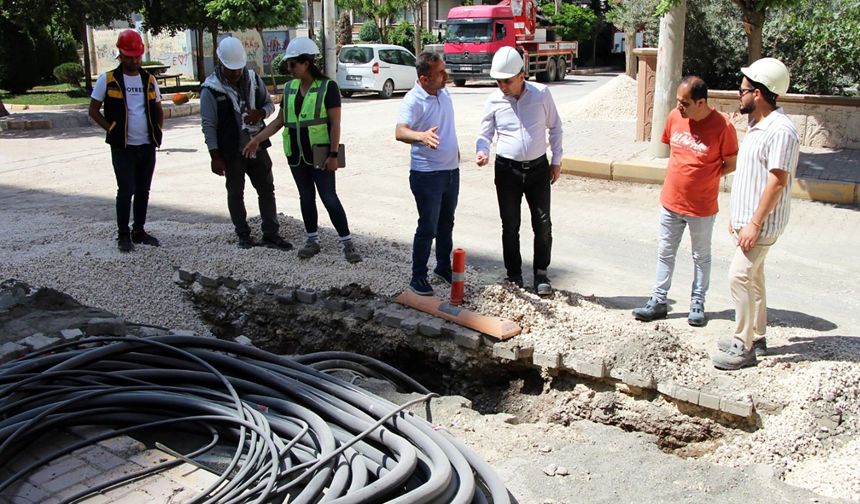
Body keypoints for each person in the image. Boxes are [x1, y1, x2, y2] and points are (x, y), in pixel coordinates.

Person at [712, 58, 799, 371]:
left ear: (759, 94)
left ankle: (743, 345)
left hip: (761, 224)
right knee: (754, 278)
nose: (740, 93)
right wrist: (738, 218)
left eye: (744, 89)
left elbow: (777, 182)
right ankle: (757, 336)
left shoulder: (781, 131)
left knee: (738, 276)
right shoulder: (757, 125)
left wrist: (754, 223)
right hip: (749, 222)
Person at [632, 76, 738, 326]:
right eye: (678, 101)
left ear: (701, 102)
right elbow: (672, 149)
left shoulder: (723, 126)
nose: (679, 106)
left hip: (701, 207)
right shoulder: (675, 117)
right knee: (665, 252)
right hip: (671, 202)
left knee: (701, 256)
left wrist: (706, 176)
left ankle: (697, 303)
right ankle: (658, 301)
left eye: (685, 102)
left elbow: (730, 163)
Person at [244, 37, 361, 263]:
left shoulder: (328, 87)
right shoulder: (289, 88)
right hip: (296, 154)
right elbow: (280, 121)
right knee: (306, 197)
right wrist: (256, 139)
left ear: (306, 63)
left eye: (292, 64)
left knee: (329, 197)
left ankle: (347, 242)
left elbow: (336, 124)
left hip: (321, 153)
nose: (289, 68)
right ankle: (312, 240)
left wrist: (334, 155)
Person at [475, 46, 563, 296]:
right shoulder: (493, 100)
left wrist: (557, 160)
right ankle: (514, 275)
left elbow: (555, 127)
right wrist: (482, 151)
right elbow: (485, 133)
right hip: (507, 170)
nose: (502, 86)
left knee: (543, 223)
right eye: (499, 81)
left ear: (521, 75)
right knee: (510, 225)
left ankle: (541, 273)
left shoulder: (541, 94)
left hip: (538, 169)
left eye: (507, 81)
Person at [201, 37, 292, 250]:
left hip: (257, 146)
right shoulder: (210, 89)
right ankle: (243, 235)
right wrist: (215, 156)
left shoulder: (253, 79)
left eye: (239, 69)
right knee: (235, 193)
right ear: (221, 64)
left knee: (266, 189)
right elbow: (208, 125)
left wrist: (260, 112)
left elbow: (269, 105)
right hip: (231, 152)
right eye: (231, 70)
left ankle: (271, 234)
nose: (236, 73)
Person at [88, 29, 163, 253]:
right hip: (123, 146)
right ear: (120, 54)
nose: (133, 60)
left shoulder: (149, 80)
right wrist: (110, 129)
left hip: (146, 144)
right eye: (129, 56)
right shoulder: (108, 79)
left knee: (143, 190)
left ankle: (138, 231)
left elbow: (158, 108)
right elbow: (93, 110)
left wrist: (158, 131)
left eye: (137, 56)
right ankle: (123, 234)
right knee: (126, 189)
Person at [394, 52, 459, 297]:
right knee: (428, 226)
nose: (446, 75)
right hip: (427, 175)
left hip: (450, 171)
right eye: (440, 72)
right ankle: (417, 276)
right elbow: (400, 131)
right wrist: (421, 136)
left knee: (446, 223)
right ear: (424, 78)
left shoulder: (443, 92)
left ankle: (443, 267)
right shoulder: (413, 100)